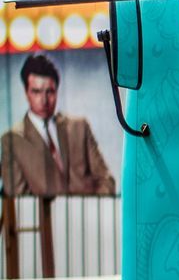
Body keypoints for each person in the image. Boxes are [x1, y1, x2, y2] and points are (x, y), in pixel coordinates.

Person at [2, 54, 116, 197]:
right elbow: (20, 201)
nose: (44, 100)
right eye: (36, 92)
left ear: (57, 91)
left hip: (87, 216)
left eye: (49, 91)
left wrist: (88, 212)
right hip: (40, 219)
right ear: (26, 93)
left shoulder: (80, 128)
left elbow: (107, 180)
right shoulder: (11, 141)